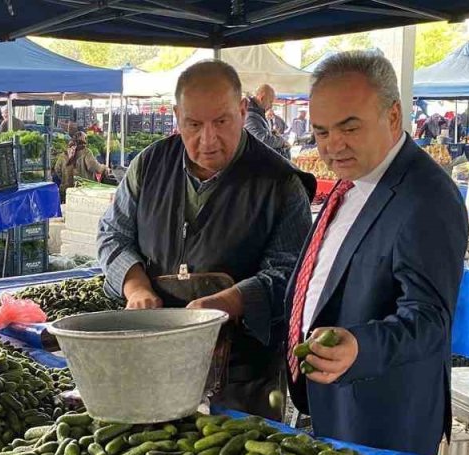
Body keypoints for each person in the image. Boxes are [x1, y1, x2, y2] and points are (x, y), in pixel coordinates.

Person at [98, 60, 314, 418]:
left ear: (242, 111)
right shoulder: (149, 165)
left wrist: (230, 301)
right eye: (194, 125)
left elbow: (291, 273)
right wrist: (135, 287)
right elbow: (113, 234)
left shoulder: (281, 183)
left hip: (244, 375)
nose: (208, 139)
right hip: (154, 359)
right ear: (177, 117)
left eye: (221, 122)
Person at [284, 51, 467, 455]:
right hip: (333, 406)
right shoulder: (353, 179)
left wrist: (361, 347)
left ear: (393, 116)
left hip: (382, 423)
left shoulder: (427, 198)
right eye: (321, 132)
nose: (333, 146)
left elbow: (430, 319)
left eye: (349, 128)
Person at [244, 83, 290, 158]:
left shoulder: (256, 113)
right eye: (270, 102)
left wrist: (270, 133)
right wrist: (282, 141)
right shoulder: (250, 115)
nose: (271, 106)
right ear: (262, 98)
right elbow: (262, 140)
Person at [60, 131, 107, 195]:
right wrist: (104, 168)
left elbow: (57, 169)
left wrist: (65, 178)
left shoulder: (64, 153)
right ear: (83, 140)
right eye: (85, 138)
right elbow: (93, 167)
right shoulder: (86, 152)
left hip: (66, 190)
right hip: (82, 190)